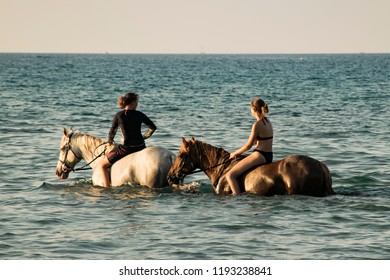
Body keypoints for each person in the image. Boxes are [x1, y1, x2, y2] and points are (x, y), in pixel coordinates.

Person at [97, 92, 157, 187]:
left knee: (102, 165)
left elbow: (112, 131)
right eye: (137, 101)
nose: (137, 103)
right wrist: (144, 137)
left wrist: (110, 141)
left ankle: (106, 189)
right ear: (133, 102)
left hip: (126, 149)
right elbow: (153, 127)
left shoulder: (119, 115)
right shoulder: (140, 114)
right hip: (141, 147)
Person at [226, 98, 273, 195]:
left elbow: (248, 146)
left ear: (254, 109)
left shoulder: (257, 125)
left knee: (230, 175)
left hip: (260, 155)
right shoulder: (268, 122)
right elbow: (260, 140)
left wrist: (235, 153)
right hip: (269, 156)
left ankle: (236, 197)